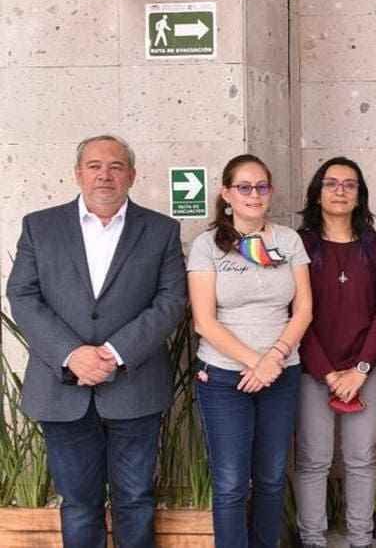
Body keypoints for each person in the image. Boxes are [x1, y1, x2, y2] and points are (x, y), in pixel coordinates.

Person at [7, 135, 187, 548]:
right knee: (78, 504)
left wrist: (115, 353)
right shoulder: (40, 226)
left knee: (135, 500)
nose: (105, 175)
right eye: (94, 166)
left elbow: (171, 301)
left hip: (135, 387)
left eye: (116, 166)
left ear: (132, 176)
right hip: (63, 389)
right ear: (78, 174)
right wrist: (71, 354)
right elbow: (22, 295)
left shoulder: (161, 230)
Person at [187, 154, 313, 547]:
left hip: (281, 374)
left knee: (272, 478)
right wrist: (256, 363)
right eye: (244, 187)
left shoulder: (288, 241)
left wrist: (274, 359)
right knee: (230, 483)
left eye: (261, 187)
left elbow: (304, 309)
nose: (254, 195)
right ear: (226, 194)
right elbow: (203, 321)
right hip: (224, 378)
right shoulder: (207, 246)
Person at [294, 157, 376, 548]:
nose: (340, 191)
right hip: (313, 369)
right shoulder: (298, 245)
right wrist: (328, 372)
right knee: (313, 459)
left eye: (349, 184)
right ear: (317, 193)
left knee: (361, 458)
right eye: (331, 183)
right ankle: (312, 540)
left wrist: (361, 368)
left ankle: (360, 539)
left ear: (360, 195)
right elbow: (294, 312)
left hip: (366, 369)